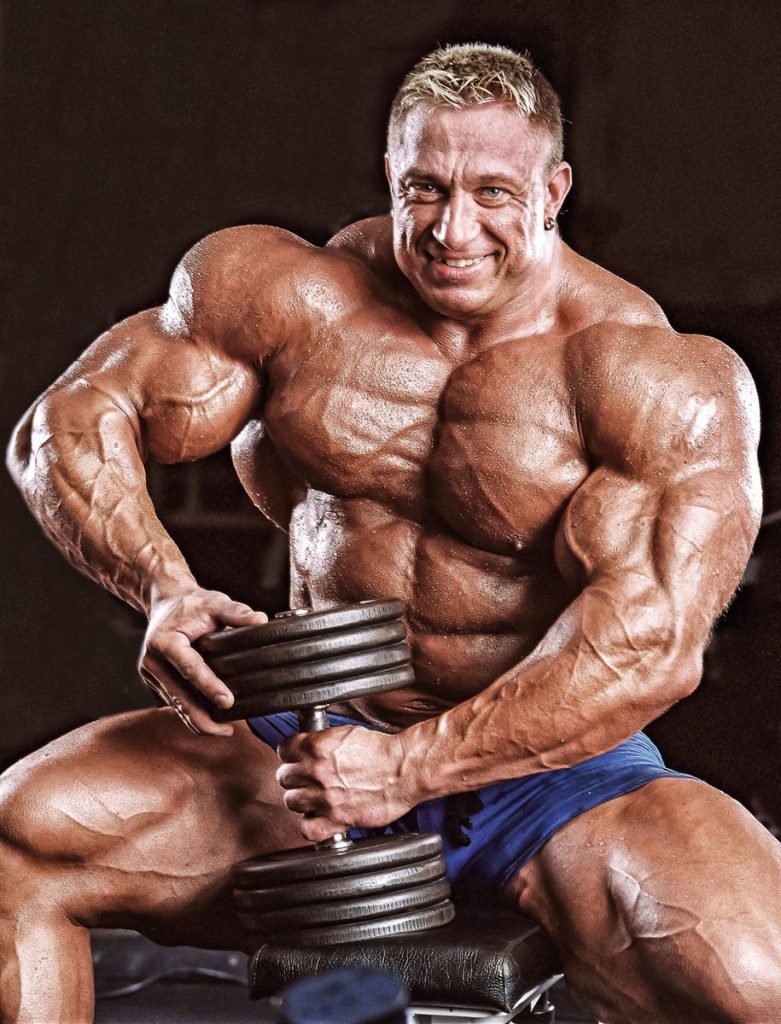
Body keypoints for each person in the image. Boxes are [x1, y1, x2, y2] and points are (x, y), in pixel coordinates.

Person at [4, 41, 781, 1024]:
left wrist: (410, 770)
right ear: (389, 175)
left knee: (760, 980)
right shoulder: (284, 298)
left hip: (550, 773)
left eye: (493, 192)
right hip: (316, 741)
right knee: (15, 842)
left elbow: (652, 648)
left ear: (554, 189)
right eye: (427, 189)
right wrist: (159, 582)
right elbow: (67, 422)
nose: (455, 230)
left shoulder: (644, 371)